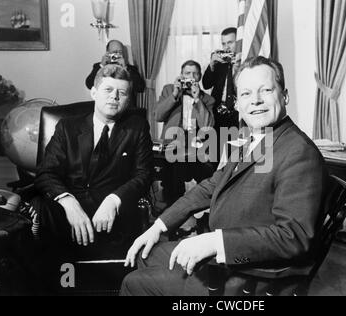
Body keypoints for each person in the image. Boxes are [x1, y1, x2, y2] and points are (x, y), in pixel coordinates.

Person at [120, 56, 329, 296]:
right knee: (148, 253)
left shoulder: (298, 152)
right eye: (246, 94)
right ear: (238, 103)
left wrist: (215, 242)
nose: (256, 101)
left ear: (285, 96)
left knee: (133, 283)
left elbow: (292, 236)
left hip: (248, 275)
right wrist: (159, 225)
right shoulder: (260, 138)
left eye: (266, 90)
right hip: (227, 254)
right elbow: (211, 185)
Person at [35, 64, 154, 262]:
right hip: (66, 214)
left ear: (128, 99)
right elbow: (46, 173)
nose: (114, 97)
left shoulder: (137, 127)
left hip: (113, 219)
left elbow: (144, 174)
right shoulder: (67, 127)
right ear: (94, 92)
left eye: (122, 93)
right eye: (108, 90)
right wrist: (69, 203)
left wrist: (114, 200)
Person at [155, 60, 216, 205]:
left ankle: (201, 215)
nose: (191, 77)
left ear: (199, 77)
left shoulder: (208, 99)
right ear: (181, 75)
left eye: (195, 74)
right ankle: (173, 211)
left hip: (195, 145)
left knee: (206, 172)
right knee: (172, 178)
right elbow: (158, 116)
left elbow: (207, 125)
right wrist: (174, 95)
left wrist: (197, 99)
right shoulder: (169, 90)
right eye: (187, 73)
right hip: (172, 143)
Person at [85, 40, 145, 107]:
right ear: (107, 53)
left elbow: (140, 88)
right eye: (114, 52)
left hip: (126, 108)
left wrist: (125, 68)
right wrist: (101, 66)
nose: (117, 55)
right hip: (105, 107)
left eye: (120, 52)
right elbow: (89, 84)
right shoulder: (99, 67)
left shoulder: (131, 69)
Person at [202, 27, 240, 131]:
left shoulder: (244, 61)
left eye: (230, 42)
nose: (226, 47)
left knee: (236, 146)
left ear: (239, 42)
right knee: (217, 145)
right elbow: (206, 84)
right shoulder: (219, 62)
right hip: (218, 112)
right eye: (223, 44)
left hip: (238, 113)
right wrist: (212, 65)